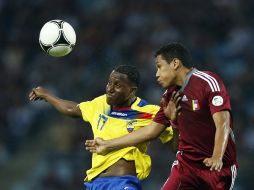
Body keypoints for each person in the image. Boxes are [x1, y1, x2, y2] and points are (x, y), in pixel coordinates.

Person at [85, 43, 237, 190]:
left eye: (159, 67)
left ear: (175, 63)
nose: (157, 74)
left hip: (219, 167)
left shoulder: (207, 82)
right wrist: (107, 144)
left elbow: (223, 122)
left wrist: (217, 156)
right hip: (186, 166)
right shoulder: (168, 97)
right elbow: (151, 131)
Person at [29, 65, 176, 190]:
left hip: (122, 182)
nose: (110, 89)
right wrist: (48, 96)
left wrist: (174, 122)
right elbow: (72, 109)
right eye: (109, 83)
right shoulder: (101, 104)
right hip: (95, 183)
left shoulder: (149, 112)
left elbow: (175, 146)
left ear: (131, 90)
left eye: (117, 85)